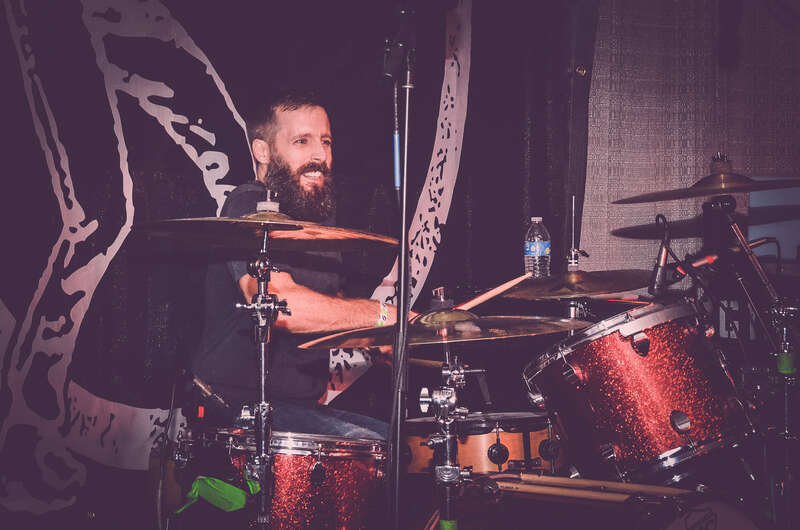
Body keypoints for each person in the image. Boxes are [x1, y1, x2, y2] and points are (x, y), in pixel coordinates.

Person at [192, 89, 395, 439]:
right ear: (263, 151)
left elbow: (325, 316)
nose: (320, 155)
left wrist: (387, 336)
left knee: (405, 446)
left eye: (326, 142)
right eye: (302, 141)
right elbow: (282, 307)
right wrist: (383, 315)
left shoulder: (316, 222)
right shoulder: (249, 205)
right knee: (382, 451)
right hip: (237, 407)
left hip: (300, 407)